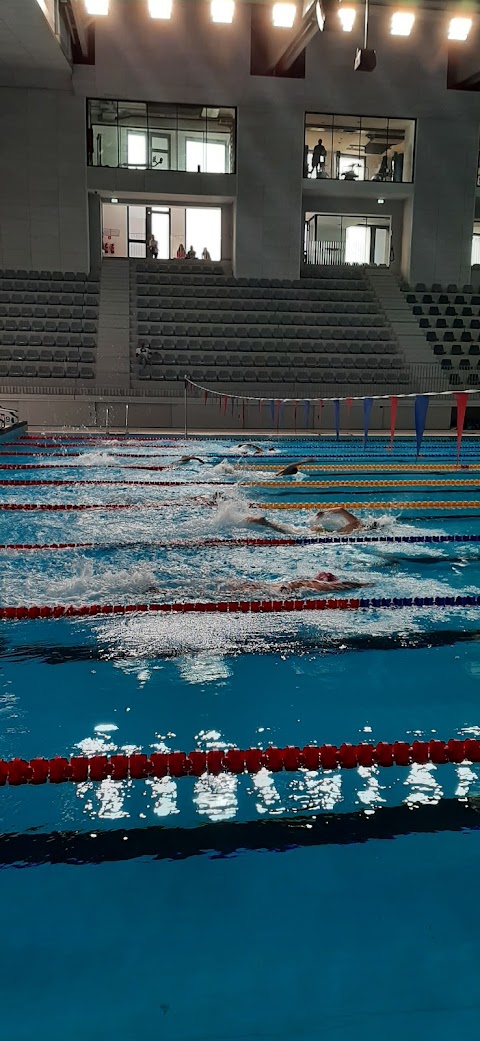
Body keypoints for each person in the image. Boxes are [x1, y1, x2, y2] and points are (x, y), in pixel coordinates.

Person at [230, 571, 369, 595]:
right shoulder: (309, 584)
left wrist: (361, 585)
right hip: (275, 591)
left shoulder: (312, 583)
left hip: (276, 591)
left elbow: (340, 585)